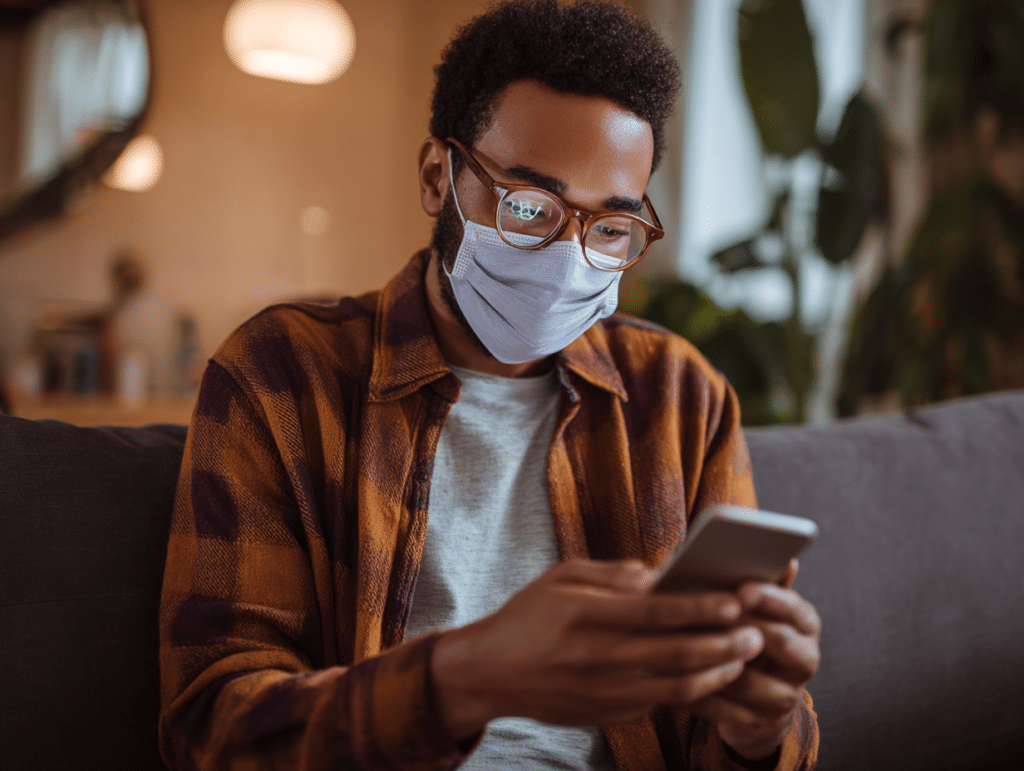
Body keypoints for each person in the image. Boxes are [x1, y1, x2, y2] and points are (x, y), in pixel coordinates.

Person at [158, 1, 821, 769]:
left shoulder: (680, 398)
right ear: (439, 178)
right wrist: (464, 677)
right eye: (530, 207)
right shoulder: (281, 375)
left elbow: (742, 734)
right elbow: (212, 729)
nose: (569, 257)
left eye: (610, 227)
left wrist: (760, 729)